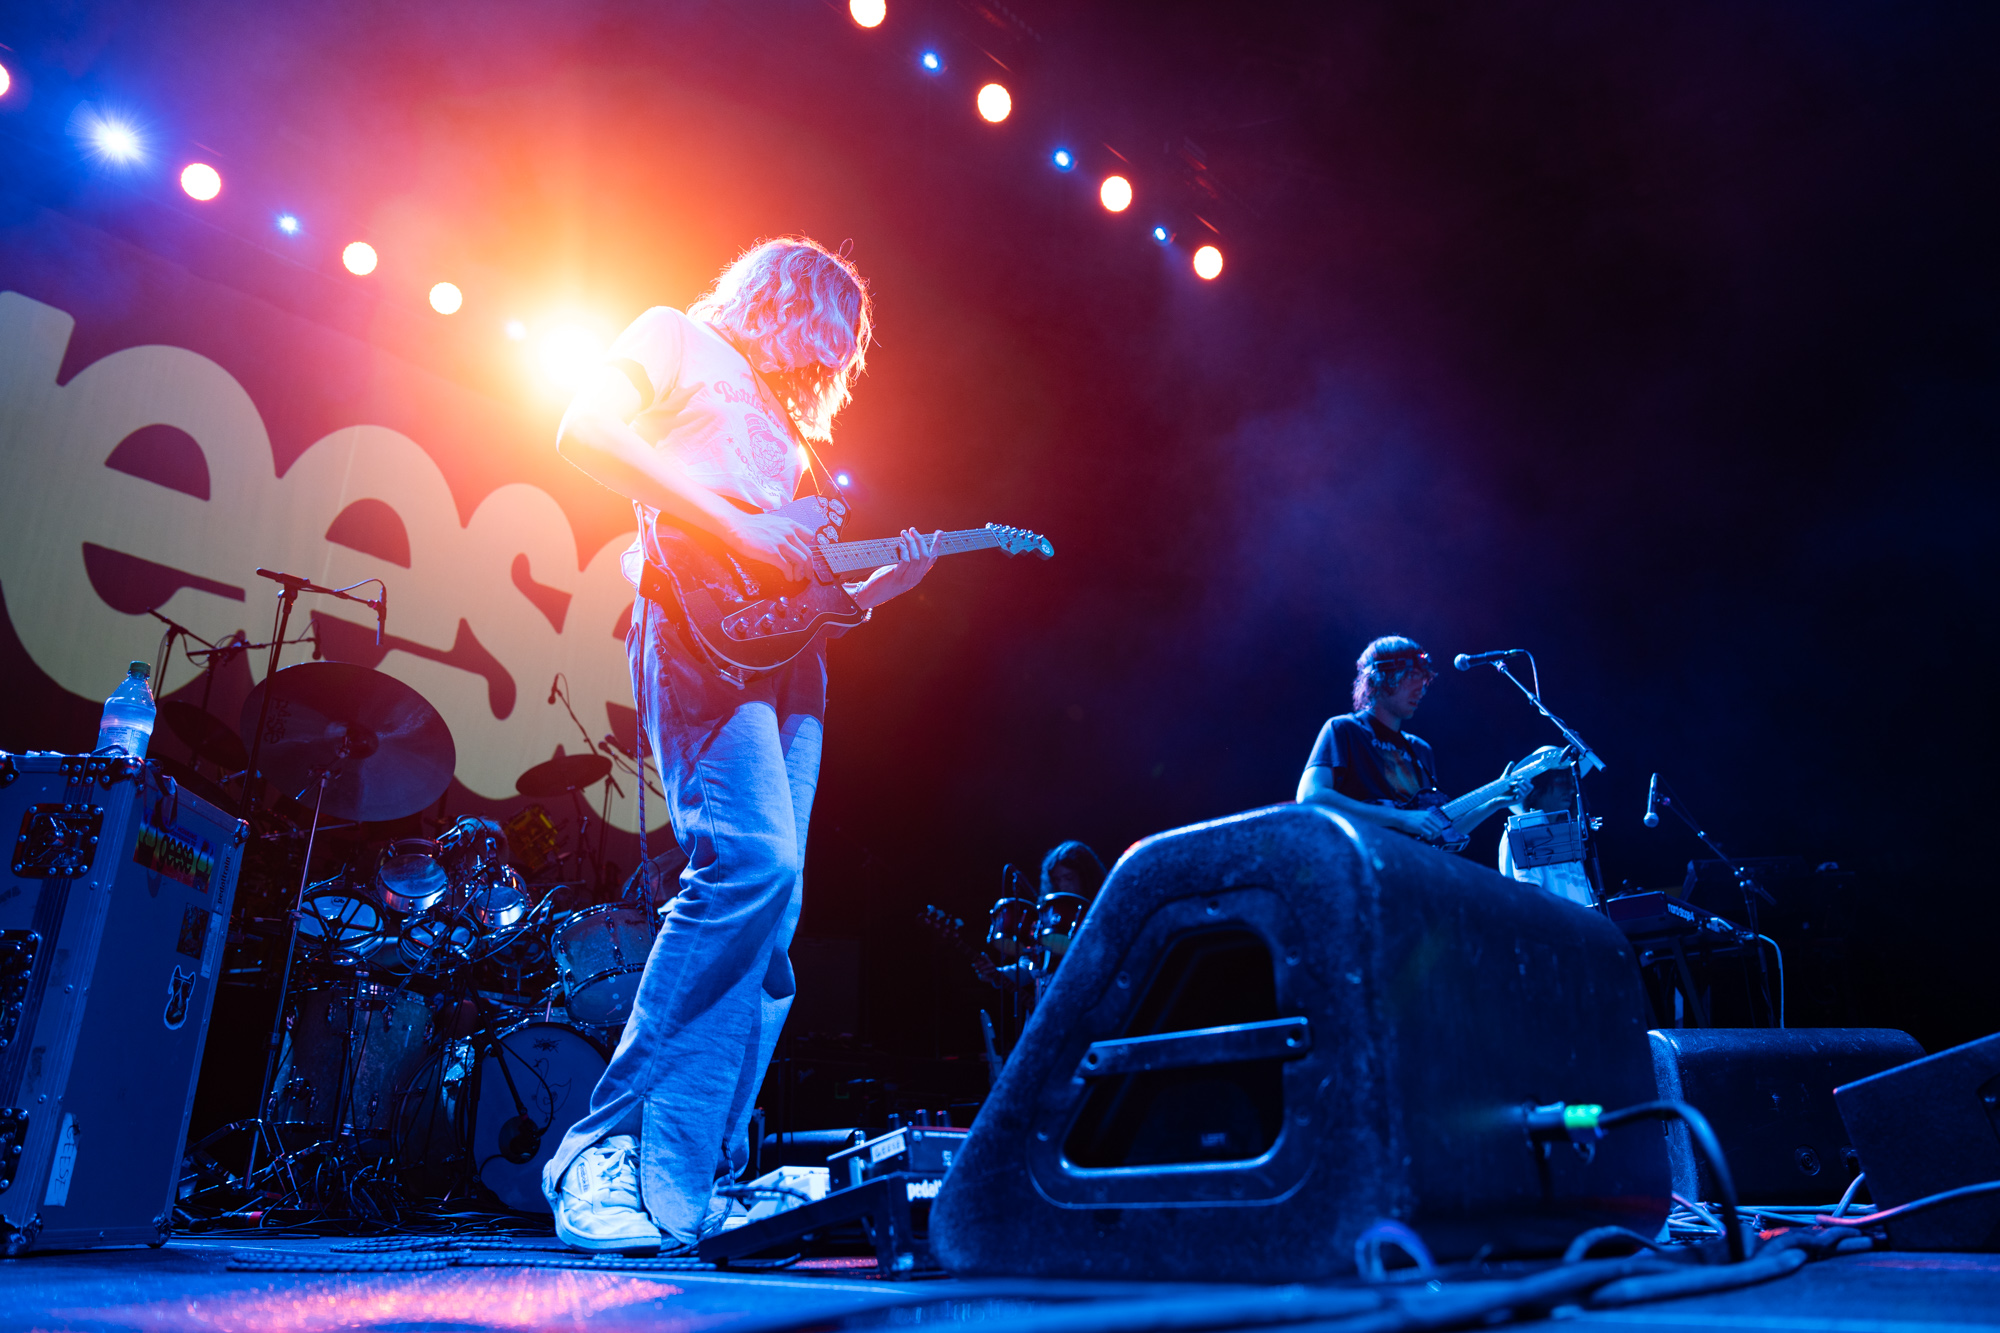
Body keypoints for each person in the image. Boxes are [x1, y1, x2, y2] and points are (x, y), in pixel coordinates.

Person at [545, 237, 939, 1254]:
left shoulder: (795, 438)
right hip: (690, 635)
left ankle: (688, 1180)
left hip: (786, 670)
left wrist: (872, 590)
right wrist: (736, 519)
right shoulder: (676, 339)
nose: (835, 359)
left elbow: (795, 596)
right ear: (787, 301)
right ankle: (600, 1148)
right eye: (833, 331)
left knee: (774, 916)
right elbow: (583, 428)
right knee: (747, 862)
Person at [1295, 635, 1521, 844]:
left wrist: (1494, 802)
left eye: (1424, 679)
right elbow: (1311, 795)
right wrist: (1400, 818)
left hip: (1407, 872)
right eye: (1412, 676)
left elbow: (1440, 830)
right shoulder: (1344, 729)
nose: (1421, 690)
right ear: (1379, 677)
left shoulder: (1420, 750)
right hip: (1359, 865)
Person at [974, 841, 1106, 1003]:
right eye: (1057, 880)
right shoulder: (1046, 918)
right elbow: (1027, 969)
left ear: (1086, 878)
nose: (1062, 886)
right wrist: (996, 973)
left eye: (1068, 878)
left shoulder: (1103, 915)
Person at [1496, 747, 1596, 907]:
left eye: (1570, 782)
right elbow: (1529, 895)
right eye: (1561, 781)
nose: (1570, 789)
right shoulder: (1523, 829)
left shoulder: (1567, 835)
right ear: (1538, 786)